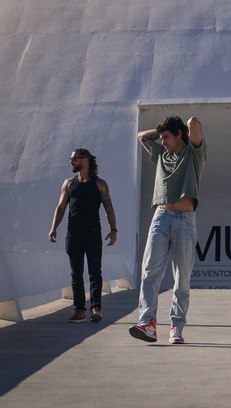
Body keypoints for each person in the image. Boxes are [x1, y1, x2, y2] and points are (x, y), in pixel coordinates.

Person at [129, 116, 206, 344]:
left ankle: (177, 325)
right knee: (150, 271)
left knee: (181, 275)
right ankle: (147, 323)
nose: (162, 142)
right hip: (161, 216)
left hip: (185, 218)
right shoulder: (162, 153)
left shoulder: (194, 154)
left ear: (180, 135)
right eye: (161, 138)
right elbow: (141, 136)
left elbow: (194, 123)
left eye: (167, 137)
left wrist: (178, 128)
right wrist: (162, 130)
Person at [49, 149, 117, 323]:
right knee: (76, 273)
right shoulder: (68, 183)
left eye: (74, 159)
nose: (71, 162)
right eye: (71, 159)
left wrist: (113, 230)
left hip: (93, 234)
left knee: (95, 272)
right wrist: (54, 228)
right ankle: (79, 310)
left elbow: (109, 208)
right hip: (73, 235)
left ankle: (96, 308)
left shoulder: (100, 184)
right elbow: (61, 207)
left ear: (85, 160)